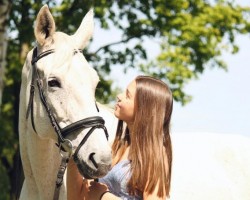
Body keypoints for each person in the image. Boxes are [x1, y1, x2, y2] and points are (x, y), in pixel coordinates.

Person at [67, 75, 173, 200]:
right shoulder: (116, 147)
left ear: (144, 109)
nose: (119, 96)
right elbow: (76, 197)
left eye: (127, 95)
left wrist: (103, 196)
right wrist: (73, 157)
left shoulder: (155, 154)